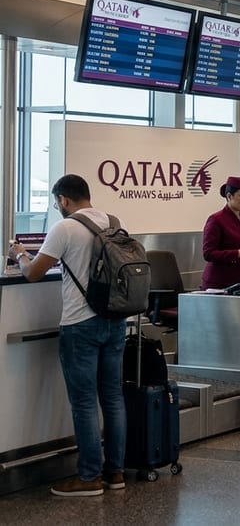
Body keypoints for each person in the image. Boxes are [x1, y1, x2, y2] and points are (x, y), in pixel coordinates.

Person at [8, 174, 126, 496]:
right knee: (113, 398)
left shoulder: (65, 227)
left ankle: (89, 478)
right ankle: (115, 473)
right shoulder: (112, 221)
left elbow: (33, 273)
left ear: (63, 200)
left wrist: (19, 253)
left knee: (85, 402)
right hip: (115, 321)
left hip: (80, 325)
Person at [200, 175, 240, 289]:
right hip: (219, 283)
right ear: (229, 196)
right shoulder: (216, 219)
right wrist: (238, 253)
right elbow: (208, 253)